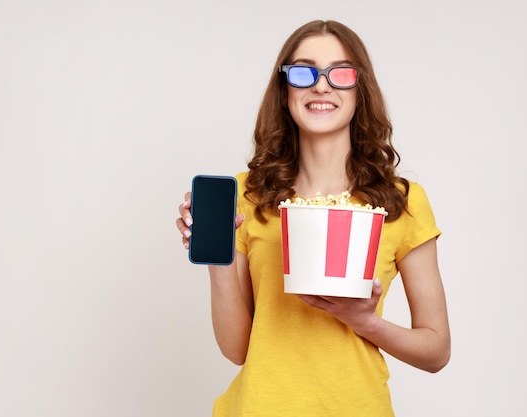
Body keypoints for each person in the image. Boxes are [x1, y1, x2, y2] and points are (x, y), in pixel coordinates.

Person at [176, 19, 450, 417]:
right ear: (285, 91)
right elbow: (237, 350)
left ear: (360, 91)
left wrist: (364, 320)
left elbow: (437, 350)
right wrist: (216, 253)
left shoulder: (400, 202)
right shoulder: (247, 195)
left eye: (340, 73)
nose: (321, 86)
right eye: (304, 72)